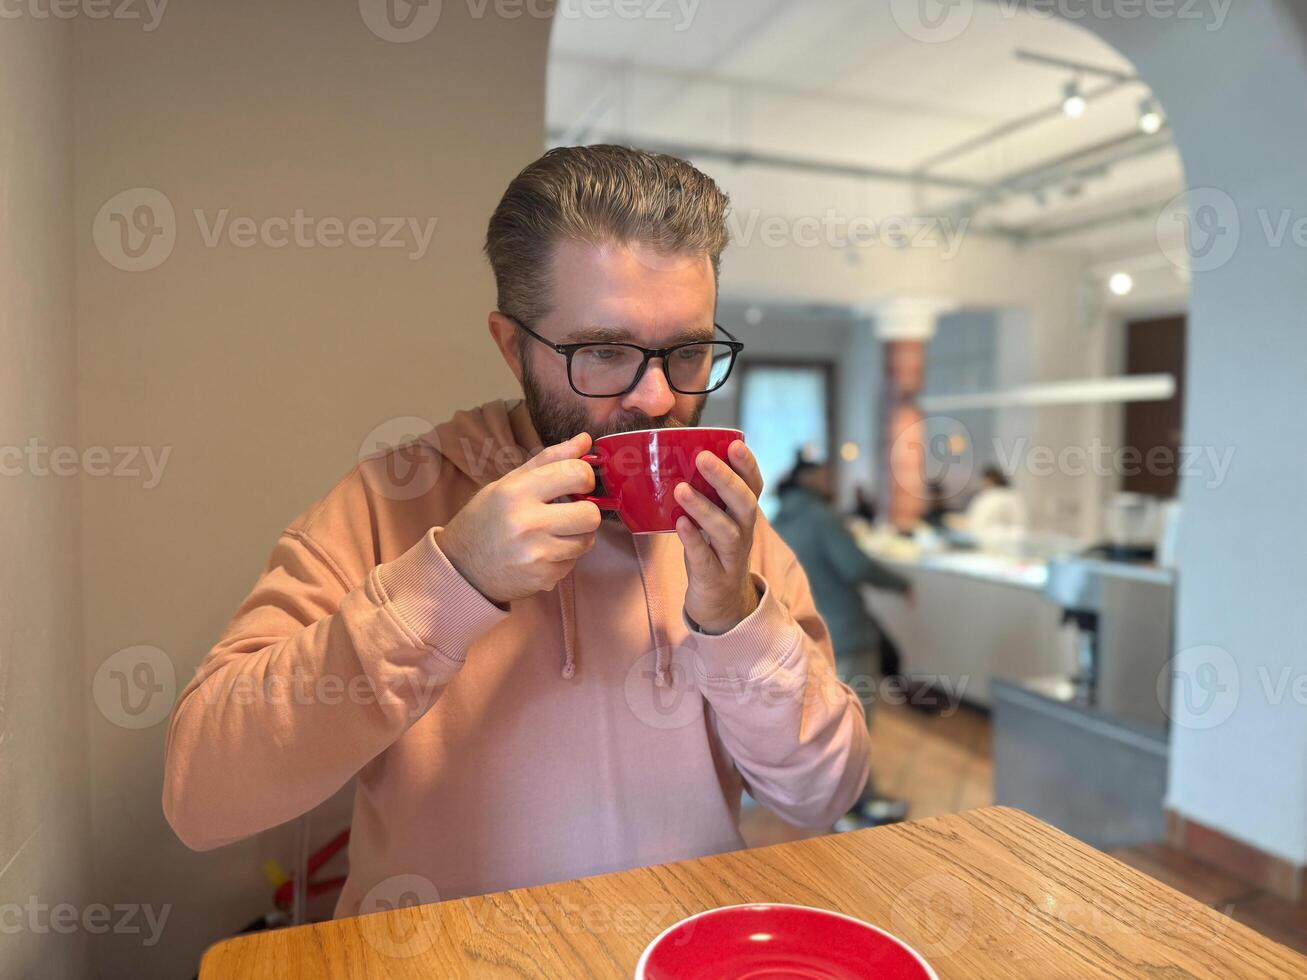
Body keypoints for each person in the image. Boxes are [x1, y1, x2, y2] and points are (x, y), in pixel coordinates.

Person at [162, 146, 871, 917]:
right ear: (513, 347)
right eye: (604, 351)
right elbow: (202, 797)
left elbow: (821, 795)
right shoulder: (387, 502)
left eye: (688, 352)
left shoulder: (729, 529)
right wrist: (452, 581)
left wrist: (735, 618)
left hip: (672, 958)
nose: (660, 398)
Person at [772, 454, 913, 828]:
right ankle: (851, 804)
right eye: (825, 473)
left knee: (822, 719)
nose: (831, 479)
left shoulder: (779, 518)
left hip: (800, 631)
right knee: (854, 720)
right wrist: (901, 584)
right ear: (811, 477)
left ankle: (842, 800)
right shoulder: (821, 517)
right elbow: (855, 565)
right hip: (845, 633)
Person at [963, 465, 1027, 548]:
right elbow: (1022, 522)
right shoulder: (1013, 497)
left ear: (988, 480)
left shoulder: (988, 498)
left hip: (990, 542)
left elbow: (976, 523)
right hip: (1011, 543)